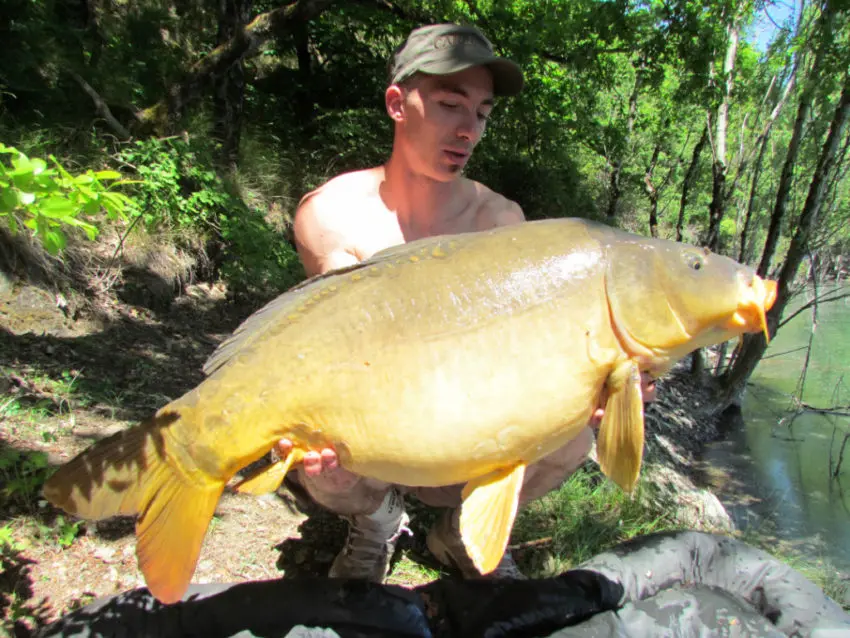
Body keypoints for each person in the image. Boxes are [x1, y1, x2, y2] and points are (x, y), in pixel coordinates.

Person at [275, 23, 656, 583]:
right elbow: (341, 351)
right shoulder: (330, 214)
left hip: (465, 425)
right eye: (451, 104)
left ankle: (457, 532)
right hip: (372, 425)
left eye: (481, 113)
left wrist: (603, 382)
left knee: (572, 435)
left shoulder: (500, 222)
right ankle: (378, 522)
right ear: (397, 104)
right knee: (321, 470)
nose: (468, 130)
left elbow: (523, 352)